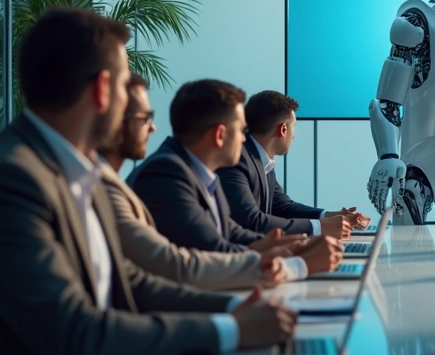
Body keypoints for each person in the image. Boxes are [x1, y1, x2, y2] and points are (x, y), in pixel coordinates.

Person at [0, 9, 297, 355]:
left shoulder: (78, 172)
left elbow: (129, 281)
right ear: (101, 90)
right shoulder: (9, 179)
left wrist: (234, 311)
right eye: (125, 80)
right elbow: (73, 333)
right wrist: (232, 331)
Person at [99, 76, 343, 289]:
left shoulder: (200, 173)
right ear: (219, 135)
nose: (244, 138)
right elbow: (213, 250)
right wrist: (294, 262)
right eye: (240, 130)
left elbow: (230, 231)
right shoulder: (166, 174)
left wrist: (281, 245)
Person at [219, 90, 369, 239]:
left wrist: (330, 216)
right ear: (283, 129)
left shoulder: (261, 159)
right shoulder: (238, 161)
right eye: (294, 126)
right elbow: (252, 221)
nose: (294, 135)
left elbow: (283, 207)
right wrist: (321, 227)